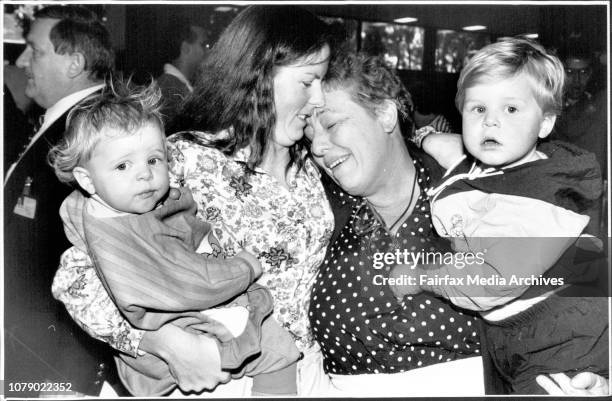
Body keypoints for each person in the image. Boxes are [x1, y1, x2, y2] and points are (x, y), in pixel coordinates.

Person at [51, 5, 335, 396]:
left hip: (302, 373)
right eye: (309, 81)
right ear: (259, 75)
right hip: (214, 378)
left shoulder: (315, 165)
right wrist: (164, 343)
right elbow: (77, 280)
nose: (319, 98)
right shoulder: (180, 161)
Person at [306, 51, 609, 396]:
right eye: (309, 132)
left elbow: (589, 272)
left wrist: (597, 375)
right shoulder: (316, 209)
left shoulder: (503, 185)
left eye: (330, 124)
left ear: (385, 113)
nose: (317, 146)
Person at [390, 38, 608, 394]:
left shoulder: (543, 198)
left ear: (545, 124)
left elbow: (492, 281)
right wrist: (425, 137)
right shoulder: (496, 162)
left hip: (564, 334)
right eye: (478, 109)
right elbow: (455, 152)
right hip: (517, 329)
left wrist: (421, 276)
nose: (491, 122)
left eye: (510, 110)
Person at [3, 5, 118, 397]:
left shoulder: (96, 130)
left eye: (34, 50)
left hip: (57, 362)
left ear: (75, 63)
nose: (20, 61)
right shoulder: (64, 120)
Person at [553, 49, 607, 181]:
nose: (577, 80)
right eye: (569, 72)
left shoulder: (600, 105)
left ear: (591, 73)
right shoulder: (547, 107)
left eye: (583, 72)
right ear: (559, 73)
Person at [156, 24, 209, 127]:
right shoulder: (169, 89)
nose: (208, 51)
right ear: (185, 48)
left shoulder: (176, 85)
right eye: (203, 45)